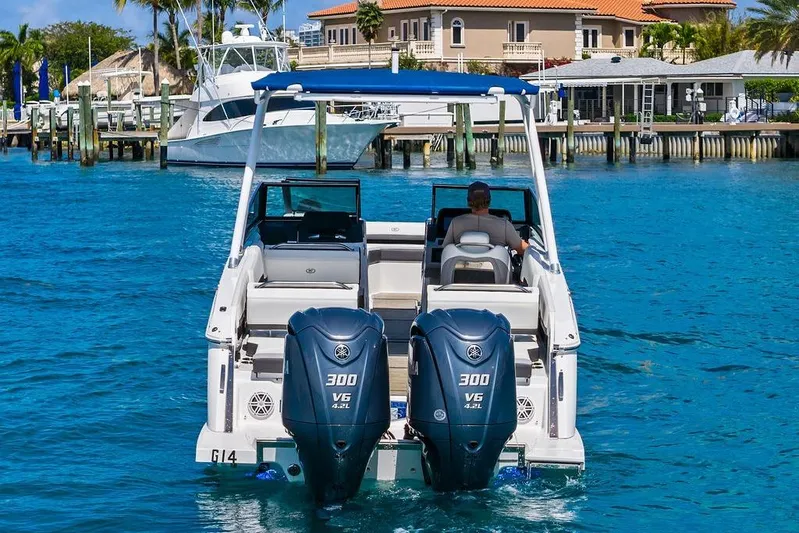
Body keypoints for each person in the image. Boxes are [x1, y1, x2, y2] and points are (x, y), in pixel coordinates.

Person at [442, 181, 529, 255]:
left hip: (460, 269)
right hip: (496, 270)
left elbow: (445, 250)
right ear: (489, 201)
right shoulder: (504, 225)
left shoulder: (456, 223)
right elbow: (522, 249)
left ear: (468, 201)